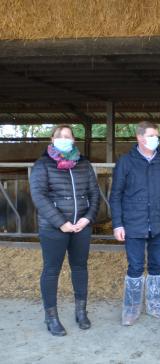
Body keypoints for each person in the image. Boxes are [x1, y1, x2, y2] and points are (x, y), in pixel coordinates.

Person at [29, 124, 100, 336]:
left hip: (81, 227)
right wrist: (61, 222)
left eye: (67, 136)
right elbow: (39, 196)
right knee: (51, 270)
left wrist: (87, 219)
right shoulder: (43, 165)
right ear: (52, 139)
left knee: (80, 268)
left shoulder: (83, 164)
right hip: (54, 228)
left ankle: (81, 311)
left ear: (73, 141)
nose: (64, 139)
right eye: (59, 136)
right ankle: (51, 317)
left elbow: (95, 193)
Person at [110, 121, 160, 326]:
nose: (155, 139)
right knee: (136, 266)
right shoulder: (126, 162)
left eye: (157, 135)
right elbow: (116, 195)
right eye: (151, 135)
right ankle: (131, 308)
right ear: (139, 137)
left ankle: (155, 304)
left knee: (157, 264)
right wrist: (118, 223)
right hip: (133, 223)